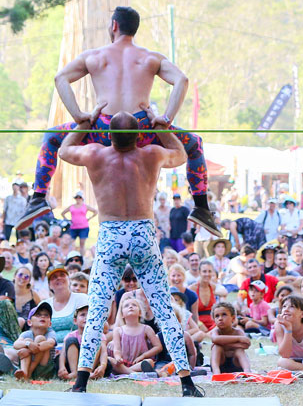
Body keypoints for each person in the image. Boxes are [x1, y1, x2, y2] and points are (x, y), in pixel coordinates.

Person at [17, 6, 220, 239]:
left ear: (114, 25)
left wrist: (78, 115)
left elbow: (60, 78)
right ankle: (202, 206)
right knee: (194, 144)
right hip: (143, 127)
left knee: (52, 137)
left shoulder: (94, 56)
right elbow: (181, 80)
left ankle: (39, 198)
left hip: (104, 127)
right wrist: (165, 119)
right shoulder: (150, 57)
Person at [57, 108, 203, 396]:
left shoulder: (96, 154)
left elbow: (64, 150)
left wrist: (85, 123)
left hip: (111, 233)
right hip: (143, 234)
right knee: (163, 308)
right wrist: (161, 124)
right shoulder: (150, 154)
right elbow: (182, 154)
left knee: (97, 308)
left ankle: (81, 382)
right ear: (139, 135)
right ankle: (186, 382)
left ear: (109, 135)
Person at [58, 297, 109, 381]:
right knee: (71, 341)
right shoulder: (71, 335)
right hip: (73, 364)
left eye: (90, 314)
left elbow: (103, 352)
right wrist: (62, 367)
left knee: (96, 340)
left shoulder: (100, 335)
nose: (86, 317)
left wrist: (102, 366)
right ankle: (75, 373)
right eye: (82, 315)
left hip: (93, 365)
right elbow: (63, 354)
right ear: (75, 321)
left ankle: (88, 373)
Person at [109, 296, 162, 374]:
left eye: (134, 305)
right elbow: (117, 349)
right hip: (123, 363)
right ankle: (133, 373)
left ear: (140, 313)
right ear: (122, 314)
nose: (130, 306)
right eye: (126, 306)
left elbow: (158, 347)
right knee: (110, 360)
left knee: (149, 362)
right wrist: (118, 357)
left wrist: (143, 356)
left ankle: (126, 372)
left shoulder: (146, 328)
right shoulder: (118, 330)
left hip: (138, 363)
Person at [40, 265, 89, 344]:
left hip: (76, 346)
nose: (58, 278)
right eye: (54, 277)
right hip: (48, 348)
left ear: (69, 280)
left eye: (62, 275)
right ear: (49, 285)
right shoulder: (44, 304)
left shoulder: (82, 299)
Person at [13, 302, 58, 380]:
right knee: (27, 341)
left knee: (40, 339)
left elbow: (50, 343)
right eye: (38, 315)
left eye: (46, 315)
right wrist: (28, 344)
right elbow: (16, 344)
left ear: (50, 323)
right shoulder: (26, 333)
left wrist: (29, 351)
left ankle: (28, 373)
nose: (43, 316)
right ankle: (24, 373)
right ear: (29, 322)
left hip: (44, 368)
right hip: (27, 363)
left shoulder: (50, 332)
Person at [209, 302, 251, 374]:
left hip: (236, 364)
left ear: (233, 318)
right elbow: (215, 339)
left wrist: (223, 344)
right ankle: (216, 373)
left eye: (224, 315)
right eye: (217, 316)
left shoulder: (238, 332)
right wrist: (238, 339)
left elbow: (246, 344)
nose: (220, 319)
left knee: (239, 350)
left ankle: (247, 372)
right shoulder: (215, 331)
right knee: (216, 347)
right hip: (221, 364)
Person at [61, 191, 97, 257]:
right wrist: (67, 220)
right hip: (73, 227)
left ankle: (82, 257)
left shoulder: (85, 206)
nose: (78, 199)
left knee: (82, 244)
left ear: (82, 199)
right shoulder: (71, 206)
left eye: (80, 197)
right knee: (71, 243)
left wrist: (89, 218)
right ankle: (70, 256)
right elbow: (63, 213)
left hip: (83, 227)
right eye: (77, 197)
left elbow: (95, 211)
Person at [189, 260, 218, 331]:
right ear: (199, 272)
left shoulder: (213, 287)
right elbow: (188, 312)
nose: (207, 274)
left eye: (209, 271)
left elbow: (224, 292)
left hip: (212, 321)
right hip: (198, 322)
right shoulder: (192, 288)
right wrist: (198, 324)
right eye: (204, 271)